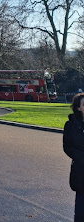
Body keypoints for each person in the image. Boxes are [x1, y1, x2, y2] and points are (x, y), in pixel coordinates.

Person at [65, 92, 84, 220]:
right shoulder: (71, 125)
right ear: (78, 107)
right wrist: (81, 157)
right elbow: (67, 147)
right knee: (81, 210)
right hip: (81, 170)